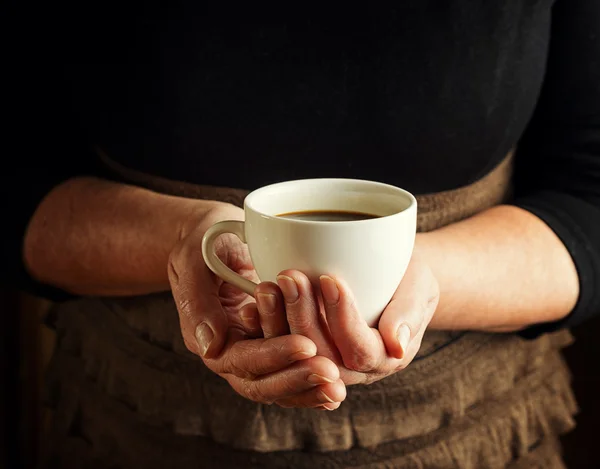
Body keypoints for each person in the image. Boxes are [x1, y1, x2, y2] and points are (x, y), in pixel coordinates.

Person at [5, 1, 599, 468]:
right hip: (132, 425)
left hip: (469, 430)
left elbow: (588, 201)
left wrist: (417, 280)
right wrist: (181, 233)